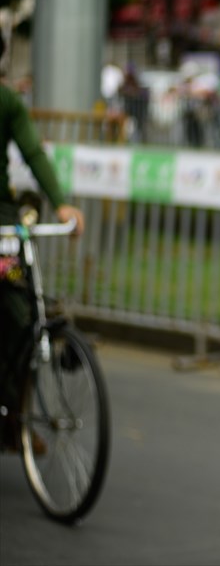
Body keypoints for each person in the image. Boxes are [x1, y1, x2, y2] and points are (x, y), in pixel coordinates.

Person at [0, 32, 85, 447]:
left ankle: (13, 415)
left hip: (3, 220)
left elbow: (33, 153)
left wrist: (62, 203)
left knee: (22, 314)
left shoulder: (8, 102)